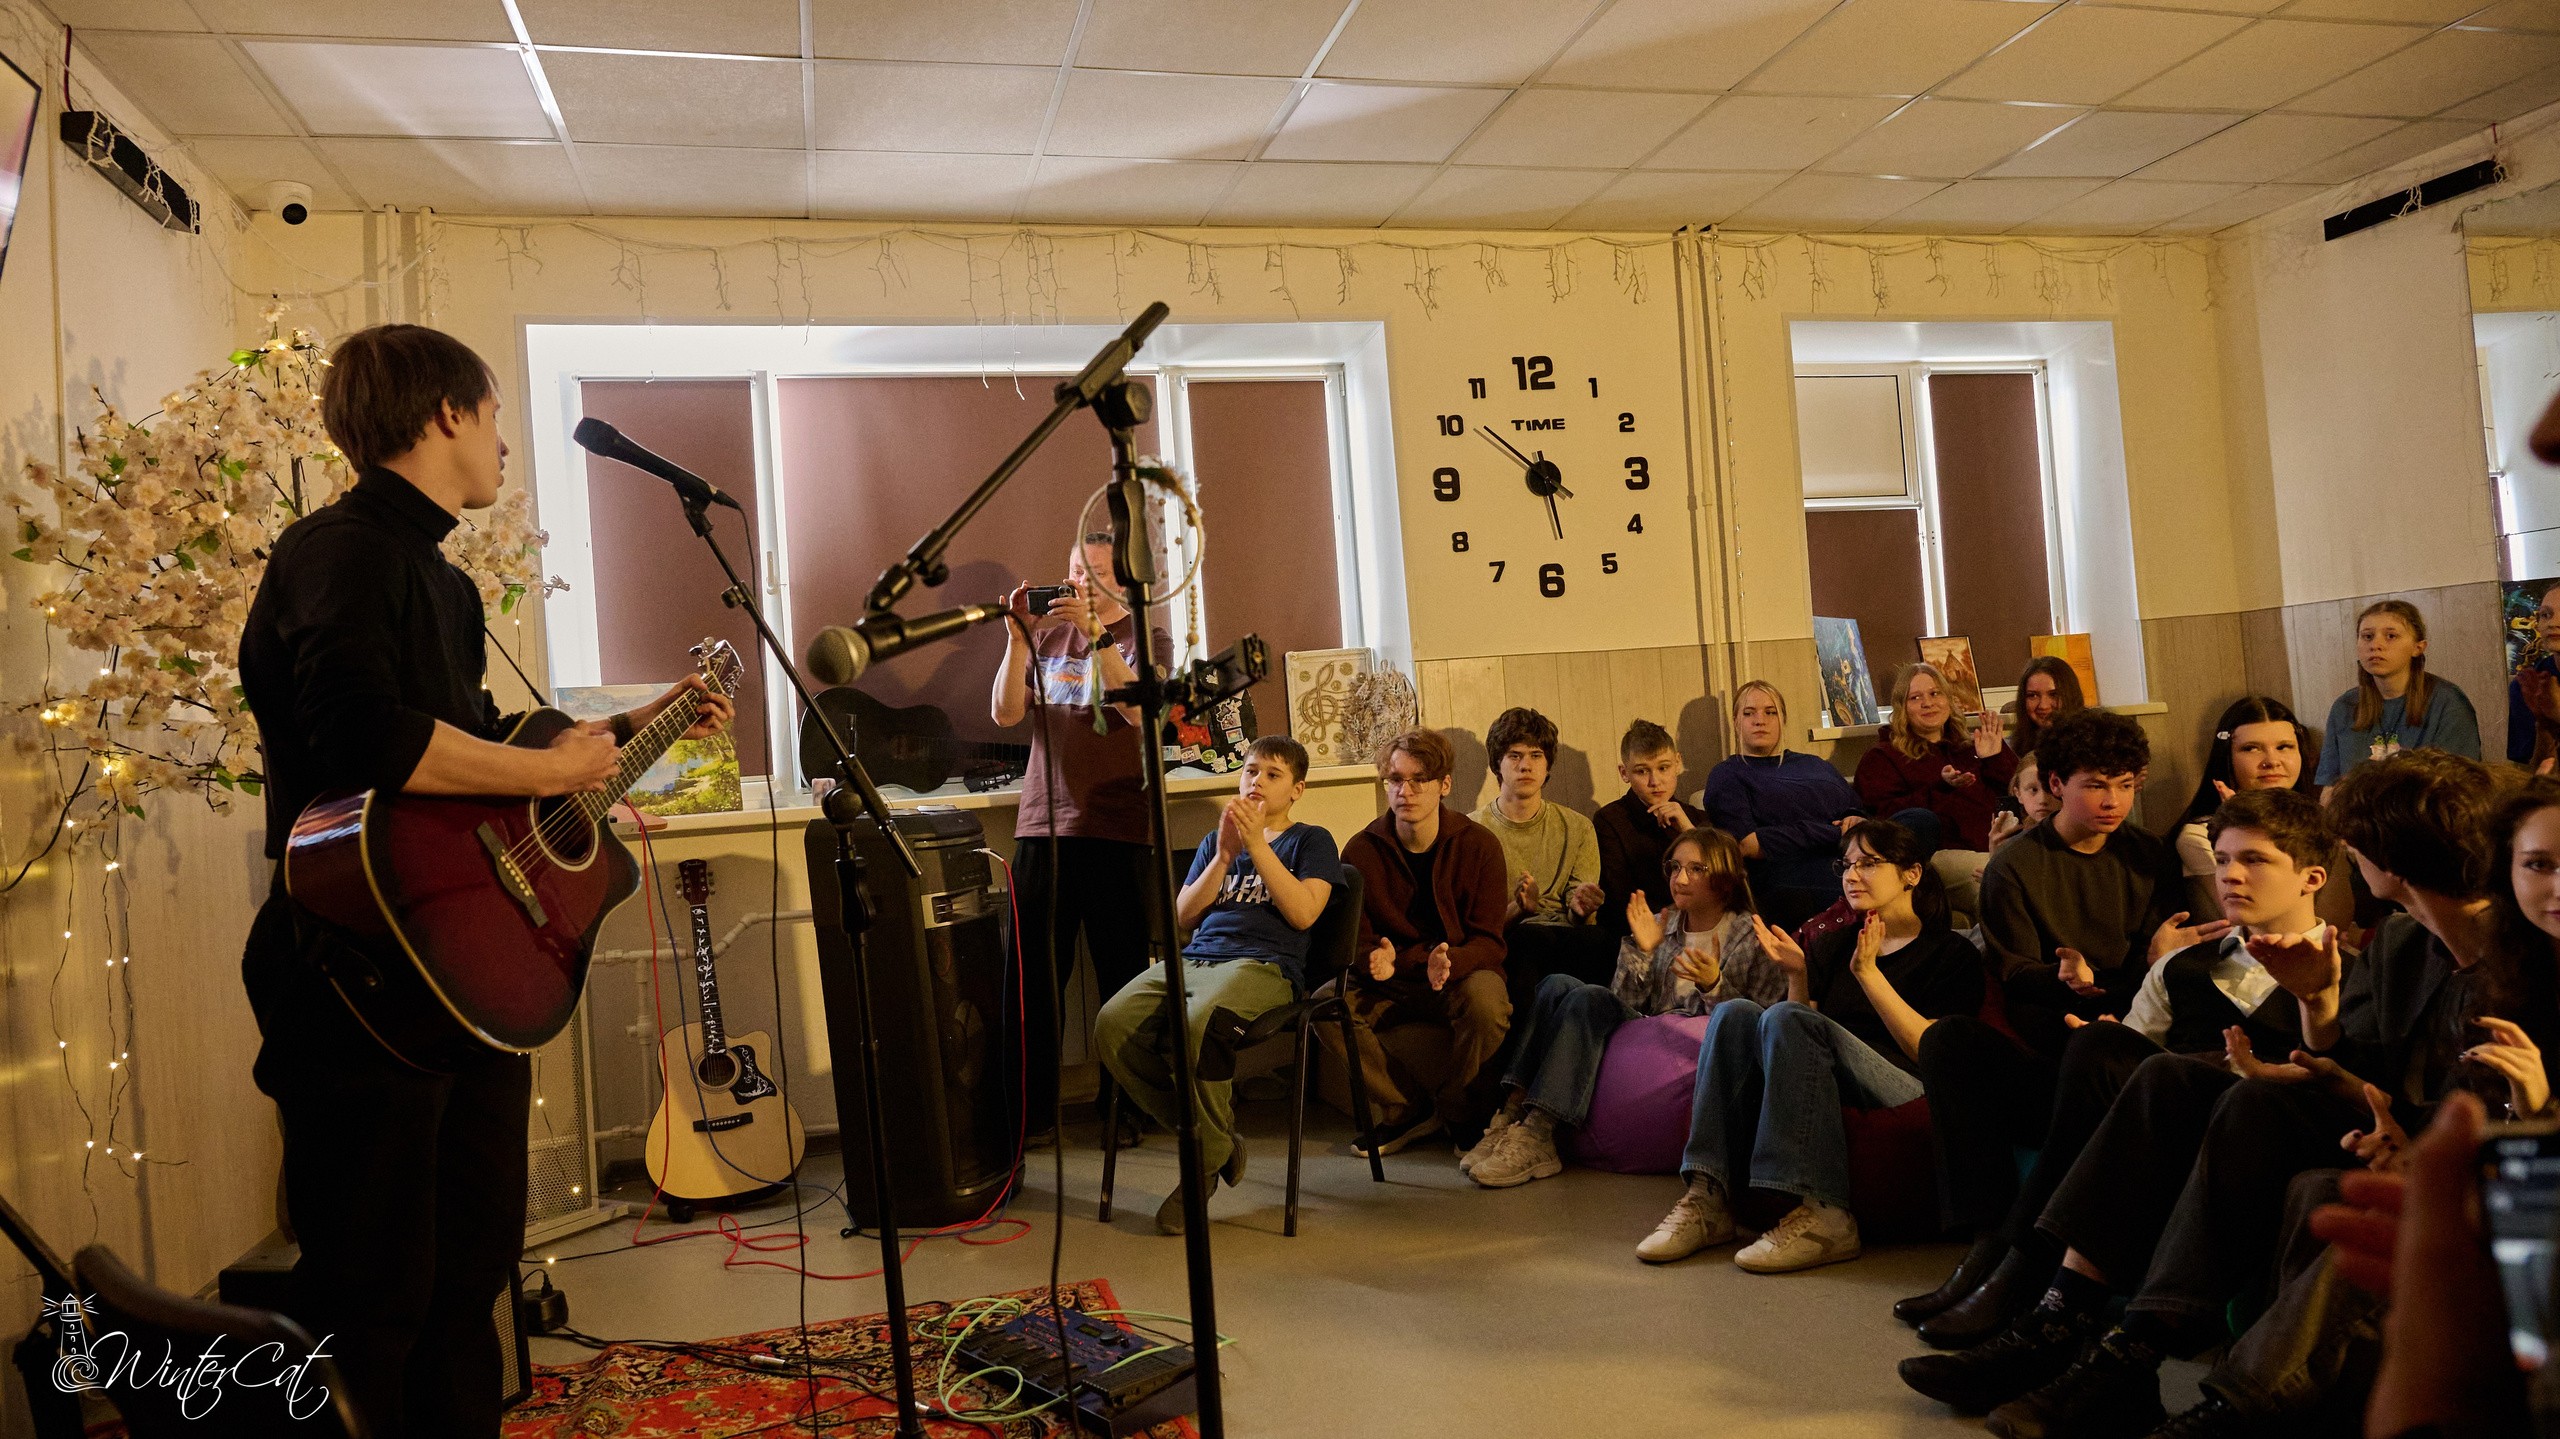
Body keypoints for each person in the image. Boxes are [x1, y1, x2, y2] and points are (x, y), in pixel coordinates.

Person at [238, 325, 734, 1439]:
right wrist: (552, 762)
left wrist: (631, 726)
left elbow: (478, 756)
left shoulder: (439, 580)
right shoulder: (340, 549)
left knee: (470, 1275)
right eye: (498, 414)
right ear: (447, 413)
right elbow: (365, 733)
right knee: (375, 1292)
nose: (507, 442)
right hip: (355, 976)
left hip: (453, 980)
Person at [1901, 751, 2525, 1436]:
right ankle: (2070, 1321)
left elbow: (2490, 1103)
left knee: (2238, 1101)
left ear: (2390, 855)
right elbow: (2359, 1070)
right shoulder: (2404, 941)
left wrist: (2384, 1113)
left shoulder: (2516, 958)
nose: (2232, 875)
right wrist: (2318, 1010)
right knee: (2172, 1076)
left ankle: (2125, 1351)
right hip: (2376, 1125)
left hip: (2445, 1147)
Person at [2153, 778, 2560, 1437]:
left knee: (2373, 1194)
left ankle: (2235, 1407)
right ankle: (2146, 1337)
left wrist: (2530, 1110)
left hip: (2515, 1180)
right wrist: (2327, 1029)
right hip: (2462, 1154)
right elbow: (2395, 1078)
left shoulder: (2526, 965)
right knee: (2300, 1159)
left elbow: (2505, 1128)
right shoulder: (2412, 942)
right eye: (2537, 864)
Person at [1898, 788, 2336, 1351]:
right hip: (2136, 1101)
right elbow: (2135, 1042)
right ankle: (1989, 1247)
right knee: (1952, 1039)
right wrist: (2101, 1035)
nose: (2230, 876)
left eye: (2254, 860)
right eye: (2223, 860)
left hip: (2220, 1117)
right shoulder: (2184, 961)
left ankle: (2019, 1270)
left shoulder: (2340, 969)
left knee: (2113, 1053)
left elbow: (2333, 1080)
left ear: (2311, 879)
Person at [1635, 819, 1985, 1274]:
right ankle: (1708, 1197)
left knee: (1780, 1015)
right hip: (1829, 1073)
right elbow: (1794, 1035)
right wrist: (1798, 976)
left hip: (1902, 1080)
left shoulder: (1949, 952)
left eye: (1869, 863)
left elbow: (1931, 1050)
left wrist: (1871, 976)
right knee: (1735, 1012)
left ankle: (1826, 1213)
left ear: (1912, 874)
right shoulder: (1834, 944)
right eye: (1847, 864)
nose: (1852, 875)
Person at [1093, 736, 1337, 1235]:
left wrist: (1255, 847)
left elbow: (1304, 911)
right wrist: (1225, 856)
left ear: (1297, 790)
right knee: (1111, 1025)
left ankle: (1200, 1164)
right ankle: (1216, 1145)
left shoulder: (1311, 841)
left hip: (1264, 968)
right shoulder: (1215, 841)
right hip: (1197, 959)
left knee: (1196, 1024)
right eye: (1250, 771)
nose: (1257, 781)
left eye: (1273, 774)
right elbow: (1183, 916)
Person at [1463, 827, 1787, 1189]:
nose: (1680, 879)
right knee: (1557, 985)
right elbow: (1627, 1002)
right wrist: (1643, 951)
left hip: (1688, 1052)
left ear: (1724, 877)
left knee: (1589, 997)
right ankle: (1512, 1117)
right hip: (1646, 1037)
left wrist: (1713, 985)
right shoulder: (1663, 922)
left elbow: (1760, 1026)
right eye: (1675, 867)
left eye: (1696, 869)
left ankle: (1540, 1131)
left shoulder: (1753, 937)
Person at [993, 531, 1174, 1135]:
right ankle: (1029, 1115)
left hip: (1117, 824)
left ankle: (1123, 1107)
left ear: (1120, 580)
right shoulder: (1044, 634)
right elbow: (1006, 713)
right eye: (1072, 571)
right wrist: (1017, 639)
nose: (1076, 584)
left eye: (1092, 573)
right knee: (1033, 979)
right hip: (1043, 823)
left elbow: (1143, 714)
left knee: (1121, 977)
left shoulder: (1147, 635)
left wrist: (1097, 635)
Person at [1319, 727, 1512, 1158]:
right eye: (1394, 779)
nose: (1405, 791)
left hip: (1455, 974)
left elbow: (1490, 941)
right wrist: (1375, 957)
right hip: (1395, 979)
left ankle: (1460, 1111)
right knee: (1325, 1006)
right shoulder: (1362, 850)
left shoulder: (1478, 845)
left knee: (1488, 1003)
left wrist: (1450, 961)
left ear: (1443, 785)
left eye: (1418, 779)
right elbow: (1353, 939)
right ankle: (1407, 1109)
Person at [1701, 680, 1868, 931]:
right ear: (1736, 722)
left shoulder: (1815, 765)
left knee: (1919, 820)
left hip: (1851, 854)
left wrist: (1856, 819)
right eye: (1749, 713)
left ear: (1783, 720)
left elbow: (1856, 810)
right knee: (1874, 888)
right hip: (1787, 874)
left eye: (1771, 713)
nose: (1760, 720)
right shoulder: (1728, 774)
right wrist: (1833, 833)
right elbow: (1747, 844)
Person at [1854, 662, 2014, 919]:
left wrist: (1995, 757)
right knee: (1998, 883)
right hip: (1938, 855)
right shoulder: (1883, 757)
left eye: (1935, 693)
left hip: (1996, 845)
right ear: (1902, 708)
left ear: (1949, 701)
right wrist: (1940, 787)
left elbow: (2017, 796)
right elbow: (1885, 821)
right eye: (1915, 698)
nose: (1928, 703)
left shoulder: (1970, 746)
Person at [1473, 706, 1611, 999]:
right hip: (1510, 936)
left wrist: (1581, 908)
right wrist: (1519, 908)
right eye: (1515, 756)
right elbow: (1472, 924)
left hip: (1565, 934)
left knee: (1601, 940)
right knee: (1529, 938)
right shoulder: (1473, 831)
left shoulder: (1578, 827)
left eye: (1536, 756)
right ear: (1498, 764)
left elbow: (1581, 916)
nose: (1526, 766)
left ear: (1547, 765)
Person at [2314, 599, 2481, 783]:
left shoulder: (2448, 702)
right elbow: (2329, 789)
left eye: (2391, 636)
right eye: (2367, 636)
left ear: (2418, 647)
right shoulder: (2345, 706)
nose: (2375, 645)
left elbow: (2460, 785)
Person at [1592, 719, 1708, 938]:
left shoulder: (1694, 818)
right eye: (1642, 771)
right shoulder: (1609, 820)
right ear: (1624, 773)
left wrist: (1688, 832)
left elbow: (1723, 883)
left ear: (1677, 763)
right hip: (1637, 932)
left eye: (1663, 768)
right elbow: (1620, 898)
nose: (1655, 781)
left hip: (1697, 928)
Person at [2509, 584, 2560, 769]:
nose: (2553, 623)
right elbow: (2529, 774)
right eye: (2546, 615)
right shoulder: (2529, 684)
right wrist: (2545, 725)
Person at [2010, 655, 2087, 762]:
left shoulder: (2092, 742)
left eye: (2053, 694)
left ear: (2071, 695)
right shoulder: (2013, 748)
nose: (2043, 705)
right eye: (2032, 696)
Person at [1986, 750, 2060, 851]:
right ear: (2018, 794)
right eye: (2033, 790)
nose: (2042, 800)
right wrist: (1996, 856)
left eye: (2049, 788)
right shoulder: (2020, 838)